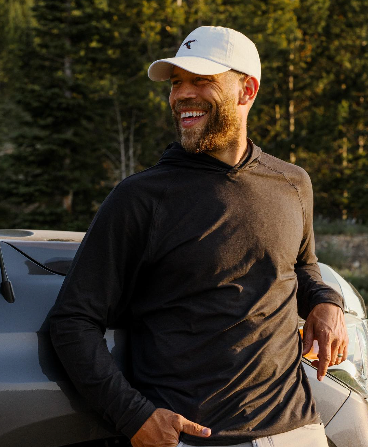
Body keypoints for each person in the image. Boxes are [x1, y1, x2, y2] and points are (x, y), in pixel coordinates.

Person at [50, 26, 348, 447]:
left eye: (200, 80)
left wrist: (325, 301)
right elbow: (72, 322)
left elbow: (301, 264)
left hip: (296, 431)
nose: (181, 95)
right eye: (175, 83)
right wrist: (134, 416)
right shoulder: (141, 198)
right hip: (192, 438)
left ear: (247, 90)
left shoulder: (292, 183)